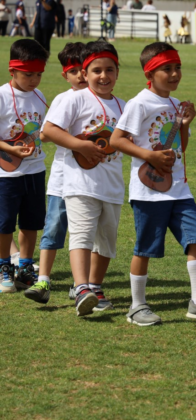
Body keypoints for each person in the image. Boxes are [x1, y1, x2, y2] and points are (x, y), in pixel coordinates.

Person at [107, 42, 196, 326]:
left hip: (179, 188)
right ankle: (137, 306)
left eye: (177, 68)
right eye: (167, 69)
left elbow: (179, 147)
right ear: (150, 73)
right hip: (149, 192)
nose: (174, 74)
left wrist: (185, 125)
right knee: (145, 248)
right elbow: (116, 140)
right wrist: (148, 154)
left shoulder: (175, 105)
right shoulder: (139, 103)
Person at [41, 41, 126, 317]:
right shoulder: (74, 99)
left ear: (117, 72)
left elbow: (132, 140)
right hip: (80, 183)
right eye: (96, 70)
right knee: (81, 235)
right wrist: (81, 146)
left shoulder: (124, 106)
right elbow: (50, 130)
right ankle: (81, 288)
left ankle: (95, 286)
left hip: (112, 185)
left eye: (110, 70)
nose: (104, 76)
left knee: (107, 240)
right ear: (85, 73)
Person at [24, 42, 87, 304]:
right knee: (53, 228)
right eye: (74, 71)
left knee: (85, 233)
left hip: (90, 182)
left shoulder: (101, 100)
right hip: (63, 178)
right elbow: (45, 134)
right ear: (65, 75)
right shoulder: (64, 99)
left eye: (84, 69)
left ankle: (80, 284)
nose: (81, 76)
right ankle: (43, 280)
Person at [0, 39, 49, 294]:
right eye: (28, 74)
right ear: (13, 70)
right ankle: (4, 267)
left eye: (39, 74)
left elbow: (45, 130)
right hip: (6, 172)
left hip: (35, 169)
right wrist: (10, 149)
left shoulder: (40, 96)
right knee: (4, 223)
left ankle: (26, 268)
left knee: (31, 222)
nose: (34, 80)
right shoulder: (1, 95)